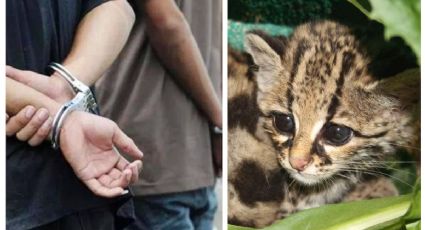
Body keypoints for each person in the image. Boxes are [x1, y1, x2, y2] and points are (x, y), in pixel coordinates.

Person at [6, 0, 143, 229]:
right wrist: (62, 113)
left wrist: (63, 87)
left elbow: (117, 7)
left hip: (77, 180)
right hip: (74, 176)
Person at [95, 0, 222, 229]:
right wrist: (218, 121)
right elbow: (165, 21)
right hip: (162, 151)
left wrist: (219, 121)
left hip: (162, 146)